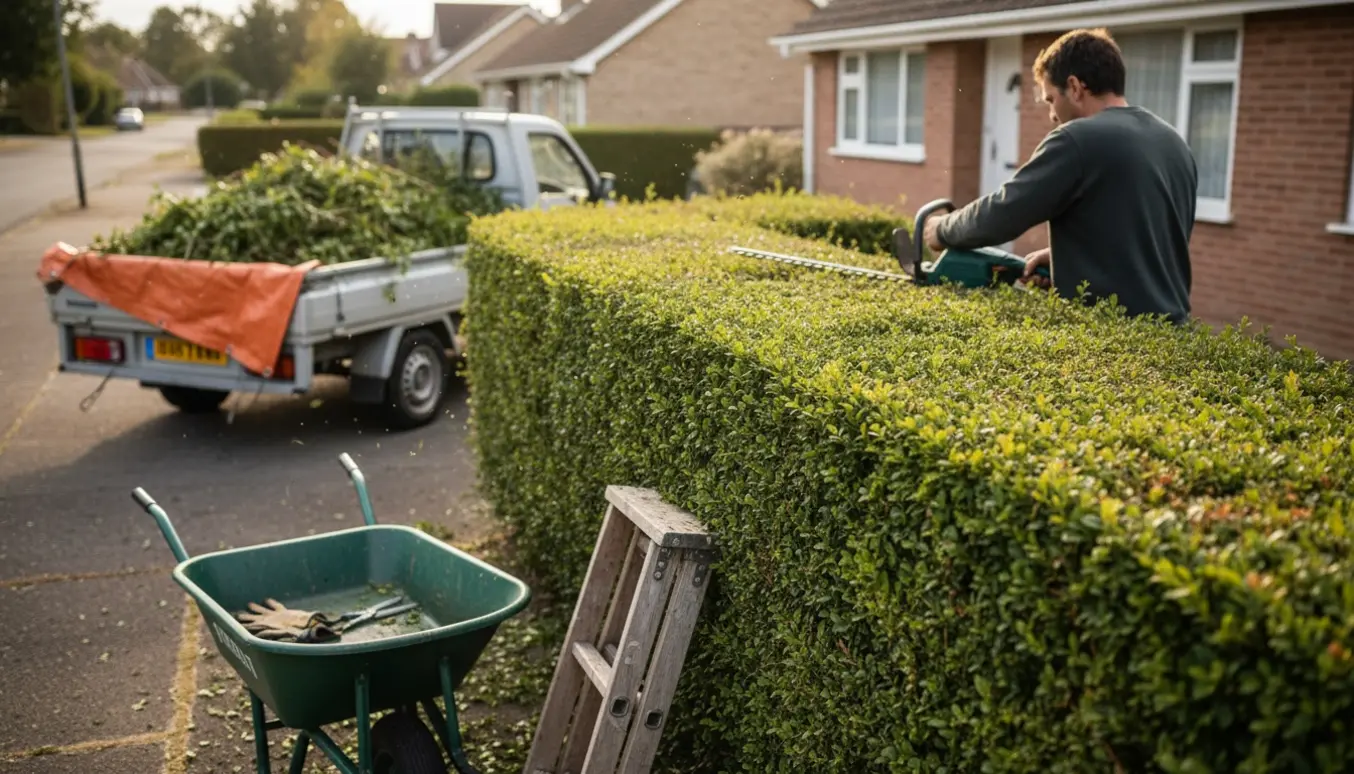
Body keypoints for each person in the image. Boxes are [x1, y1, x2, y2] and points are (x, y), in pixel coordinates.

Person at [921, 27, 1197, 324]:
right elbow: (1151, 236)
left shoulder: (1078, 139)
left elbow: (1005, 211)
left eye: (1051, 99)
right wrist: (1069, 259)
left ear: (1075, 87)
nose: (1052, 115)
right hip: (1174, 335)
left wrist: (942, 229)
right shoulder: (1173, 142)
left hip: (1114, 339)